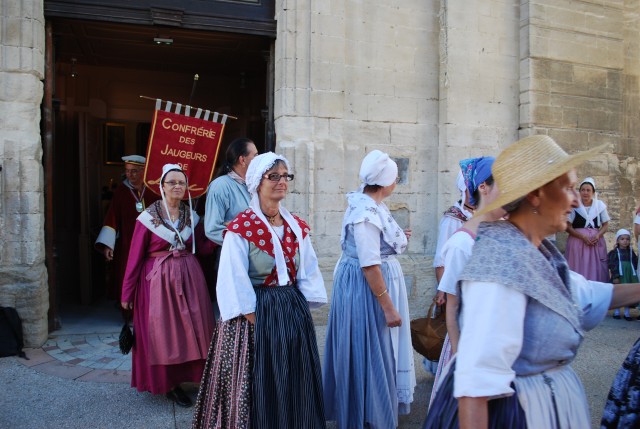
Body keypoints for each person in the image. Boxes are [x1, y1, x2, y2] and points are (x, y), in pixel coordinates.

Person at [425, 135, 640, 429]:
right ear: (536, 195)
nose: (576, 199)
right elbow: (476, 384)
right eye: (567, 187)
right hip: (517, 414)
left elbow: (585, 295)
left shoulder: (538, 250)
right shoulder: (500, 260)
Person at [192, 152, 328, 429]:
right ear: (257, 182)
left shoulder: (296, 227)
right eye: (273, 176)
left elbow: (308, 271)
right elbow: (233, 278)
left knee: (293, 376)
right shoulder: (241, 229)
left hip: (290, 308)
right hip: (254, 313)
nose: (281, 182)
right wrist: (258, 320)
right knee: (258, 377)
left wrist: (300, 312)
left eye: (285, 176)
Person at [323, 150, 416, 429]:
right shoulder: (365, 213)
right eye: (395, 179)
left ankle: (369, 407)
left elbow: (376, 243)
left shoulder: (369, 204)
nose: (396, 183)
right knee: (370, 347)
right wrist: (388, 307)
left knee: (371, 346)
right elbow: (369, 265)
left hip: (368, 283)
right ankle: (367, 412)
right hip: (366, 290)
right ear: (386, 181)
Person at [121, 164, 214, 407]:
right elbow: (134, 258)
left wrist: (221, 233)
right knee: (162, 333)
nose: (177, 186)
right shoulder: (148, 218)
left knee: (195, 328)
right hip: (157, 282)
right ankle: (168, 384)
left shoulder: (191, 217)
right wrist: (126, 293)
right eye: (171, 182)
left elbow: (202, 248)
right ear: (161, 186)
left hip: (190, 279)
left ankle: (194, 378)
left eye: (181, 182)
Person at [428, 156, 503, 408]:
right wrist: (460, 357)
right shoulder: (462, 241)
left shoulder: (506, 232)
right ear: (483, 187)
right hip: (471, 339)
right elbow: (453, 305)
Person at [202, 138, 258, 306]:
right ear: (243, 160)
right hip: (233, 258)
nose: (258, 158)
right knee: (237, 308)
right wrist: (243, 239)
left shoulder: (254, 184)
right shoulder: (221, 185)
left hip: (256, 259)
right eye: (255, 155)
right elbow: (212, 228)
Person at [95, 155, 159, 300]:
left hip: (151, 244)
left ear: (144, 170)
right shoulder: (121, 191)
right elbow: (112, 217)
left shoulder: (153, 191)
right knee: (127, 275)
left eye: (134, 171)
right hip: (127, 244)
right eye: (127, 171)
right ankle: (128, 314)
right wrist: (108, 244)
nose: (130, 175)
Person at [565, 177, 610, 282]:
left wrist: (598, 235)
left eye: (588, 190)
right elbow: (567, 226)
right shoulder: (574, 206)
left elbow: (605, 224)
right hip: (577, 242)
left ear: (593, 192)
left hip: (595, 242)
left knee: (596, 268)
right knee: (577, 266)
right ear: (579, 191)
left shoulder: (600, 206)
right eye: (583, 190)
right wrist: (582, 236)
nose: (585, 192)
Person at [608, 229, 639, 320]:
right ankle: (616, 312)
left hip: (629, 275)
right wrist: (615, 276)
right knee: (619, 293)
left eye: (627, 239)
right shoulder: (614, 253)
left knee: (628, 294)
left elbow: (635, 262)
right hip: (620, 275)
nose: (625, 241)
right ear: (617, 240)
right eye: (622, 239)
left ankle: (627, 313)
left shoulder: (630, 252)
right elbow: (612, 264)